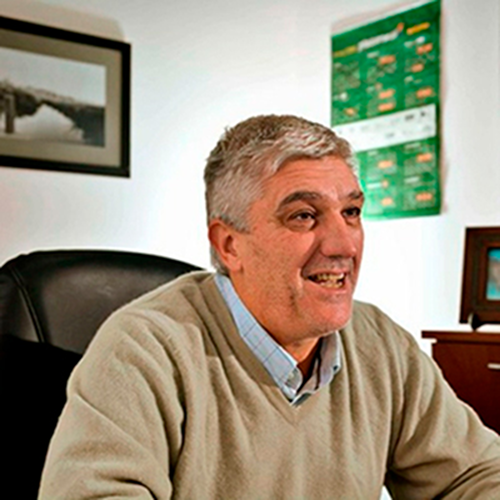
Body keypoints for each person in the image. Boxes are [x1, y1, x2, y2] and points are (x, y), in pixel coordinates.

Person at [39, 115, 500, 499]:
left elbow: (476, 475)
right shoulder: (142, 349)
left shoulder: (380, 343)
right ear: (229, 244)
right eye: (304, 216)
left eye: (351, 213)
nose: (343, 244)